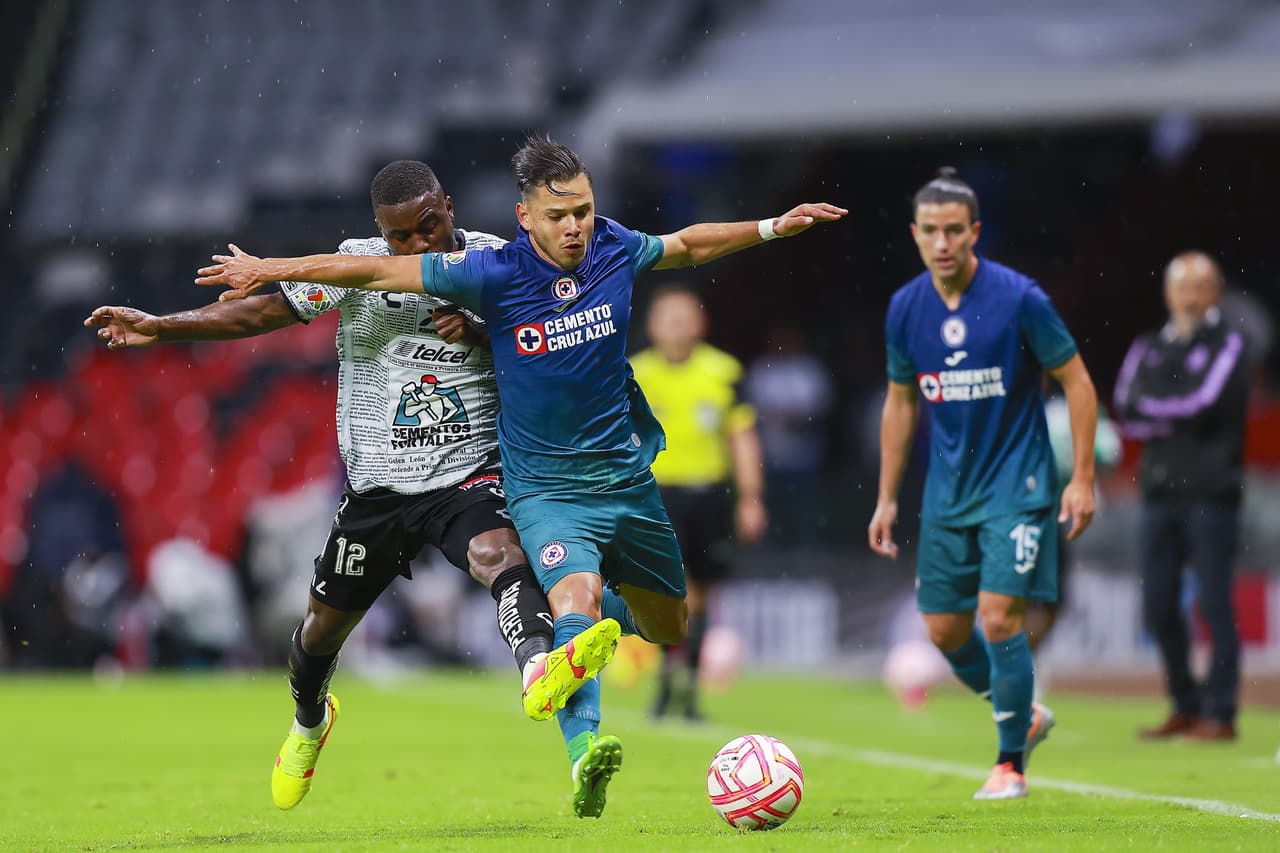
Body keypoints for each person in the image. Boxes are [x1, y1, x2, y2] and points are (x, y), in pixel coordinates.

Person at [195, 135, 846, 817]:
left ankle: (580, 642)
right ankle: (574, 743)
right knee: (556, 598)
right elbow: (367, 273)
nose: (575, 227)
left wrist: (773, 225)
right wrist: (270, 266)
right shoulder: (489, 269)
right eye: (559, 215)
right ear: (525, 216)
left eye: (584, 211)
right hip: (531, 486)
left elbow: (688, 243)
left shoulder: (613, 248)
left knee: (666, 622)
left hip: (623, 479)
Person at [85, 160, 619, 811]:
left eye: (430, 225)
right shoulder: (356, 265)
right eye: (403, 238)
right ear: (381, 237)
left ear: (449, 205)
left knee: (502, 559)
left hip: (466, 477)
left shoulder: (498, 264)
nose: (419, 245)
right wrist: (163, 326)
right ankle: (311, 719)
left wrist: (485, 334)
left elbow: (552, 356)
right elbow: (257, 314)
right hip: (377, 492)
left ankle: (540, 669)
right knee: (316, 637)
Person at [867, 167, 1099, 800]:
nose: (942, 243)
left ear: (975, 232)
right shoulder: (906, 308)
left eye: (954, 231)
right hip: (947, 493)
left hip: (1017, 485)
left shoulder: (1020, 298)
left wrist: (1081, 477)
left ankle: (1010, 764)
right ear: (915, 235)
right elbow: (901, 403)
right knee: (943, 629)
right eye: (930, 232)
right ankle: (1019, 709)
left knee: (999, 618)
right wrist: (888, 496)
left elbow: (1077, 381)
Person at [1114, 251, 1250, 742]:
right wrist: (1170, 411)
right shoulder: (1149, 345)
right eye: (1182, 287)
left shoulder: (1231, 344)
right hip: (1159, 492)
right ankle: (1184, 704)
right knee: (1157, 604)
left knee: (1214, 602)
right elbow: (1126, 407)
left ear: (1215, 292)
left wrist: (1159, 411)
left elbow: (1204, 403)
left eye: (1200, 287)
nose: (1190, 297)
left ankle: (1222, 711)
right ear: (1168, 293)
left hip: (1211, 492)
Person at [629, 283, 767, 721]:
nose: (677, 326)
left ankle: (686, 682)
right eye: (668, 317)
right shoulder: (634, 373)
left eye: (685, 317)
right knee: (667, 591)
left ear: (701, 323)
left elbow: (742, 437)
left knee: (702, 593)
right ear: (652, 325)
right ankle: (668, 680)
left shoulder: (723, 371)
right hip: (654, 496)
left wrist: (751, 498)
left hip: (708, 495)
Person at [743, 322, 834, 545]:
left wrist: (798, 419)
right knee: (771, 509)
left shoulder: (809, 369)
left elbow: (823, 409)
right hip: (769, 453)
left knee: (807, 510)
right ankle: (769, 554)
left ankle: (810, 551)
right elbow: (747, 412)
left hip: (805, 454)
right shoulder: (760, 369)